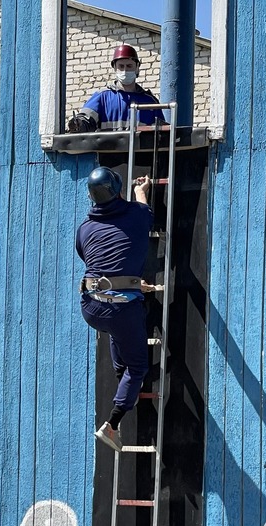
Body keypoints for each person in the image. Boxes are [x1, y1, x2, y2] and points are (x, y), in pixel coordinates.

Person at [77, 166, 157, 451]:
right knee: (138, 367)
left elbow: (97, 261)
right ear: (118, 190)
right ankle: (112, 425)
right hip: (120, 309)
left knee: (115, 331)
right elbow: (146, 215)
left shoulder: (85, 228)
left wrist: (134, 284)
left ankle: (121, 380)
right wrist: (140, 192)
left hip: (91, 305)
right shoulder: (137, 215)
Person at [67, 44, 165, 132]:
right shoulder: (102, 97)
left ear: (137, 67)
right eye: (121, 66)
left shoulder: (150, 102)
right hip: (109, 151)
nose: (125, 70)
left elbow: (162, 133)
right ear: (114, 68)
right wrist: (78, 124)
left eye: (129, 66)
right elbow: (86, 120)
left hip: (139, 152)